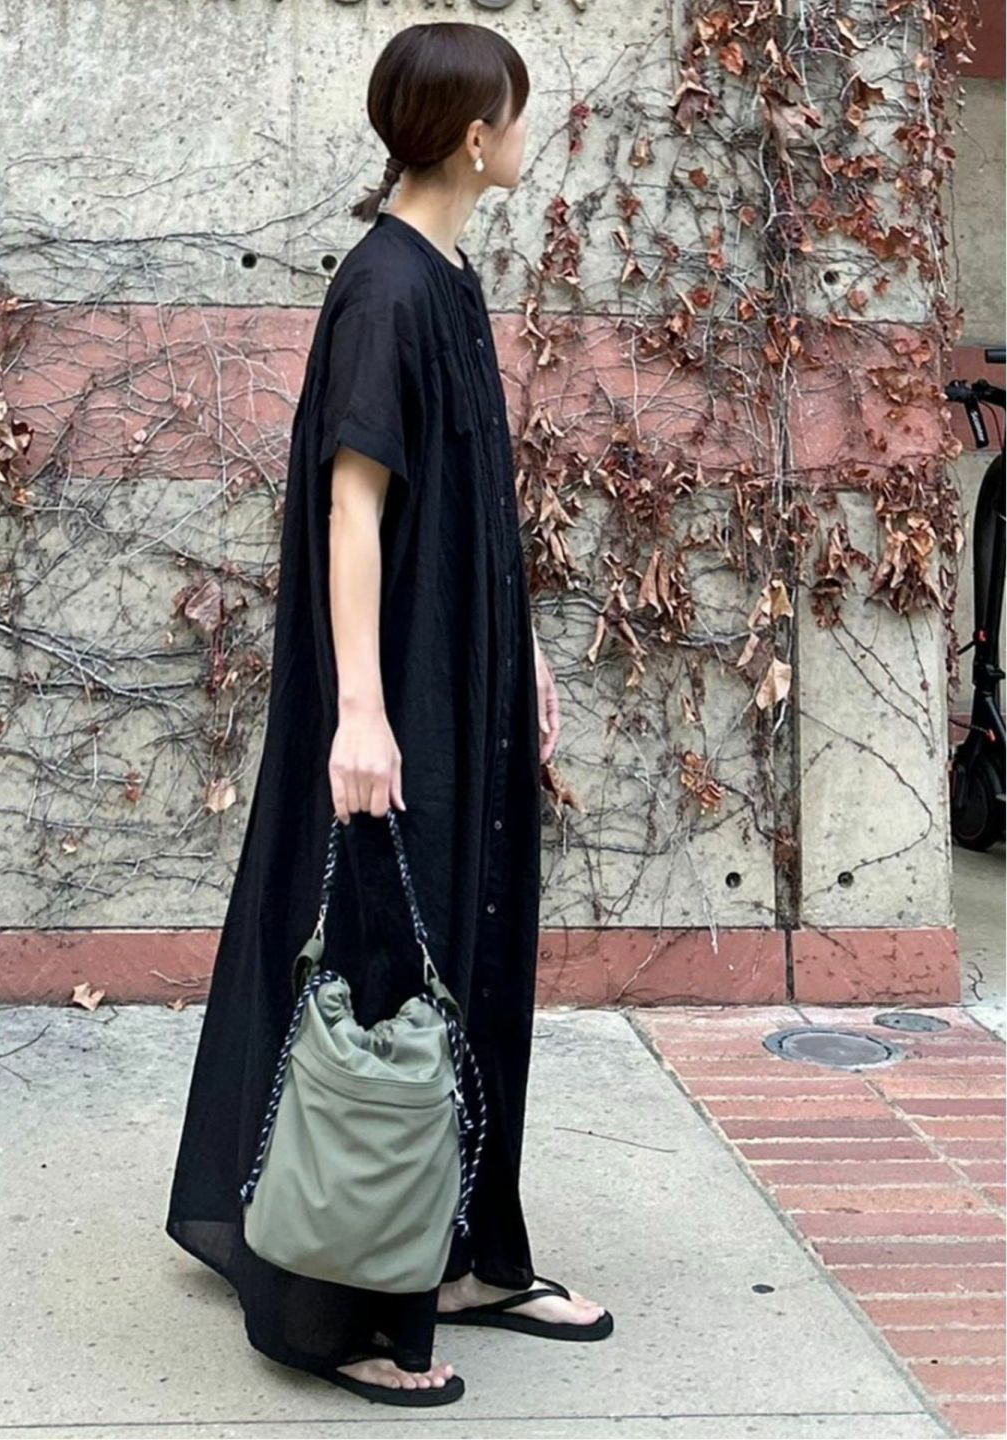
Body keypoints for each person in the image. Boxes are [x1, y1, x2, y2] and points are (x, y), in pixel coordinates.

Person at [165, 20, 612, 1409]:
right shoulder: (385, 292)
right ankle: (343, 1308)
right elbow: (351, 507)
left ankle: (461, 1255)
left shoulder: (449, 277)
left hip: (461, 682)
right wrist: (361, 714)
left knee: (472, 953)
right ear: (476, 137)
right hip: (400, 691)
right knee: (383, 973)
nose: (527, 134)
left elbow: (472, 500)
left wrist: (521, 653)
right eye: (517, 115)